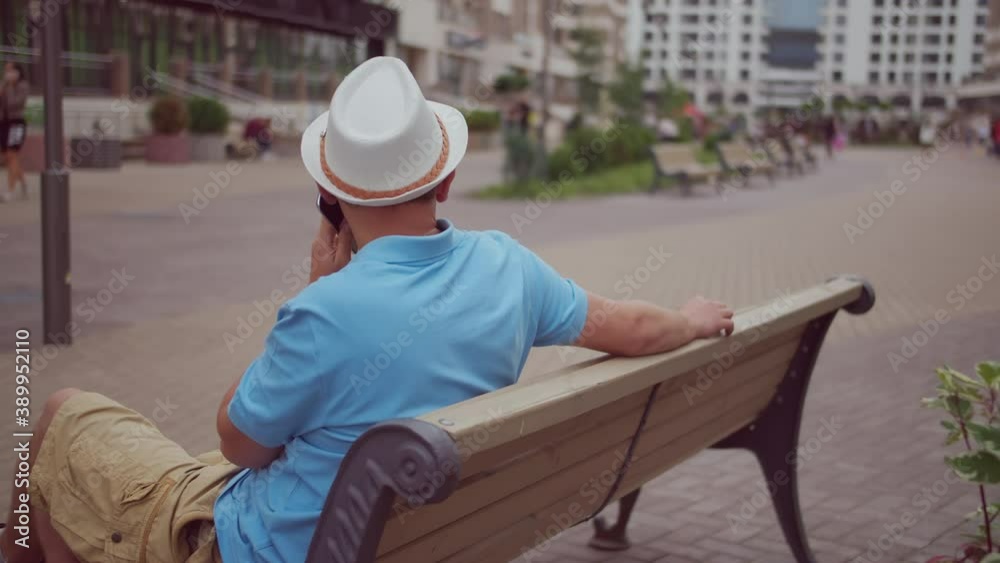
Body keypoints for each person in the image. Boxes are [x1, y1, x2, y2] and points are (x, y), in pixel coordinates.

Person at [0, 57, 735, 563]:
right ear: (443, 181)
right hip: (428, 535)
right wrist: (693, 320)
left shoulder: (323, 313)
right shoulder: (509, 267)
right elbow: (631, 327)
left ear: (335, 197)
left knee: (61, 413)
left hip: (267, 546)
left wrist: (311, 290)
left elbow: (239, 445)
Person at [1, 62, 29, 202]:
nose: (7, 73)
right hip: (4, 123)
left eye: (10, 70)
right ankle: (23, 182)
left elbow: (15, 103)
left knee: (12, 154)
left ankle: (10, 190)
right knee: (9, 157)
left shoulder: (22, 86)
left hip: (17, 123)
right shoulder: (4, 85)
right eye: (6, 70)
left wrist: (10, 87)